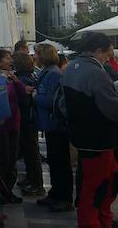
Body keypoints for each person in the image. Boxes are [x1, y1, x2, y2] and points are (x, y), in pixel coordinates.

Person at [62, 32, 118, 228]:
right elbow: (112, 108)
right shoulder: (96, 72)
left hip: (81, 136)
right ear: (98, 51)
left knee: (93, 182)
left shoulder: (72, 67)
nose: (109, 58)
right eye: (108, 53)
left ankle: (100, 218)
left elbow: (62, 103)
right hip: (99, 139)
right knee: (98, 185)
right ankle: (92, 222)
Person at [32, 43, 74, 212]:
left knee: (60, 163)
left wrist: (35, 96)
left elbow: (52, 101)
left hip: (56, 125)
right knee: (55, 162)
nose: (34, 57)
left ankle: (64, 198)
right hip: (51, 125)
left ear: (43, 56)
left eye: (36, 54)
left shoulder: (53, 74)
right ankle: (56, 194)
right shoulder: (49, 72)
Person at [0, 49, 24, 205]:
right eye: (7, 58)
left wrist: (17, 82)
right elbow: (0, 97)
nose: (10, 60)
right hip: (0, 125)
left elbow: (22, 95)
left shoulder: (12, 77)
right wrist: (4, 82)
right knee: (2, 159)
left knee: (12, 159)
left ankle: (8, 190)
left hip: (14, 123)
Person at [13, 51, 43, 196]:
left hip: (26, 119)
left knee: (30, 151)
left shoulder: (22, 78)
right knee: (29, 150)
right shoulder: (33, 75)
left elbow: (24, 100)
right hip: (30, 119)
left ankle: (35, 182)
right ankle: (31, 179)